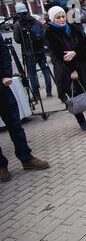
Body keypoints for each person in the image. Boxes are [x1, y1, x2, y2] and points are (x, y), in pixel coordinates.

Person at [0, 34, 49, 182]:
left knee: (15, 125)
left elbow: (3, 52)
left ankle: (26, 158)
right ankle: (1, 166)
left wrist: (6, 75)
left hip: (2, 87)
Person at [44, 6, 86, 132]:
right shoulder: (50, 33)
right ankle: (82, 123)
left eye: (63, 16)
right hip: (66, 71)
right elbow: (59, 55)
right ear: (53, 19)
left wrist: (75, 52)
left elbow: (85, 47)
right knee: (74, 97)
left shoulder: (74, 28)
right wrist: (72, 70)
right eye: (58, 17)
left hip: (84, 67)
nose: (62, 19)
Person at [13, 3, 53, 99]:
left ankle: (36, 95)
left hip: (29, 53)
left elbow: (17, 40)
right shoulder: (35, 20)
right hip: (40, 50)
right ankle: (49, 91)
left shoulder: (18, 24)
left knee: (31, 74)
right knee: (45, 70)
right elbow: (42, 34)